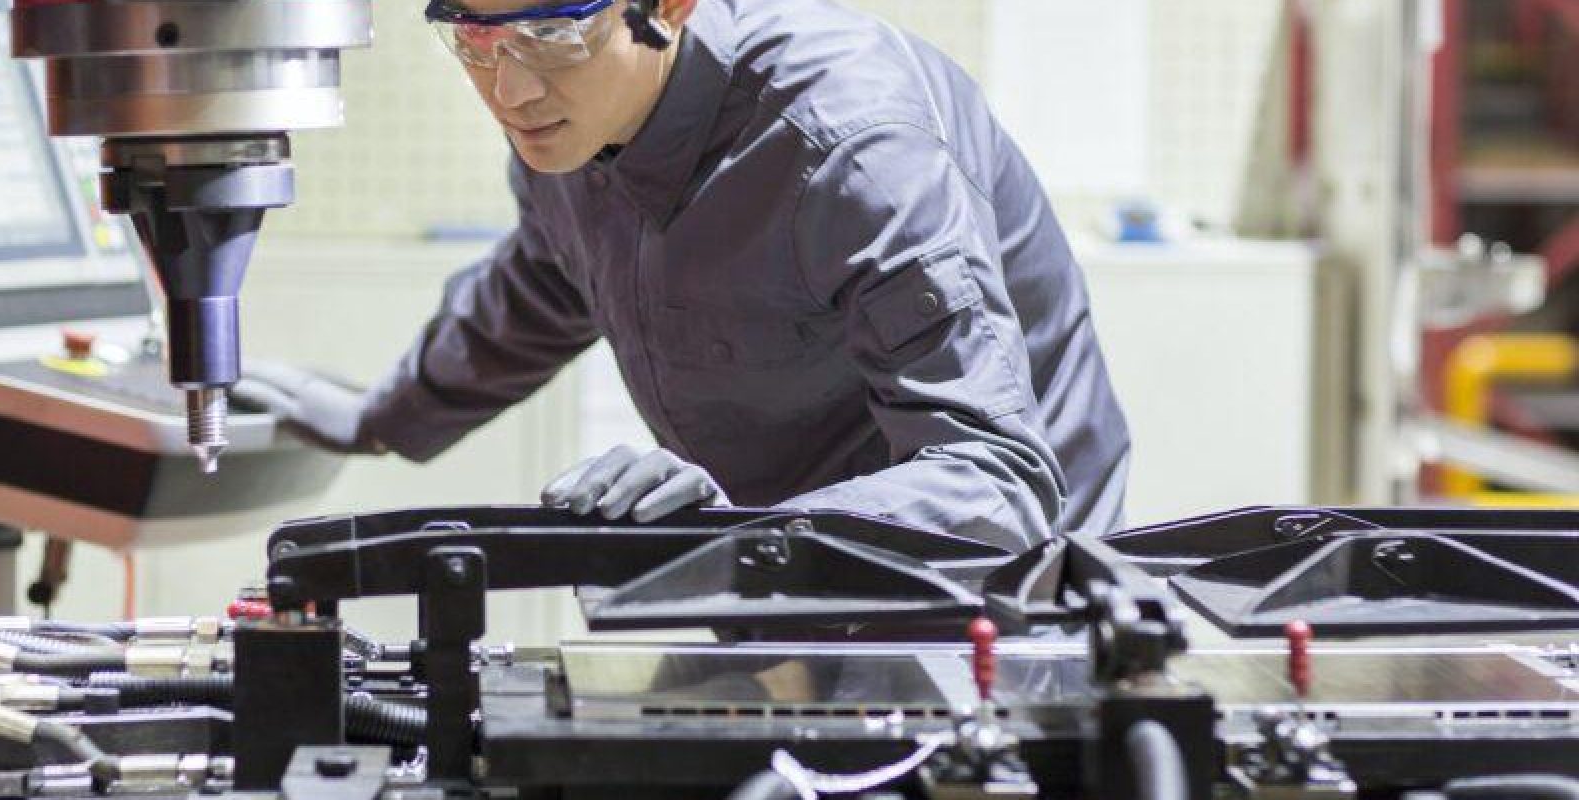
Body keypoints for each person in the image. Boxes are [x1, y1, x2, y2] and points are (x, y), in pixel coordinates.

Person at [239, 0, 1131, 552]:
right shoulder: (570, 128)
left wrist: (742, 534)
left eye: (551, 33)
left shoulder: (853, 150)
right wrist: (382, 416)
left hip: (999, 600)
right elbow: (547, 284)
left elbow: (994, 479)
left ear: (668, 5)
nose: (508, 91)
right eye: (474, 39)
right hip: (786, 566)